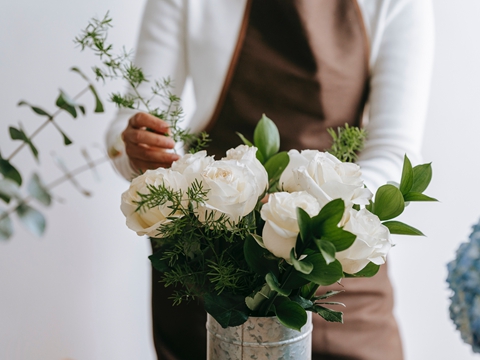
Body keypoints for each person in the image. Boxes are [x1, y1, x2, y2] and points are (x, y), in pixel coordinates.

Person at [106, 0, 434, 359]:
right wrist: (136, 148)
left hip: (334, 267)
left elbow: (393, 150)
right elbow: (130, 129)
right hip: (212, 268)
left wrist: (304, 217)